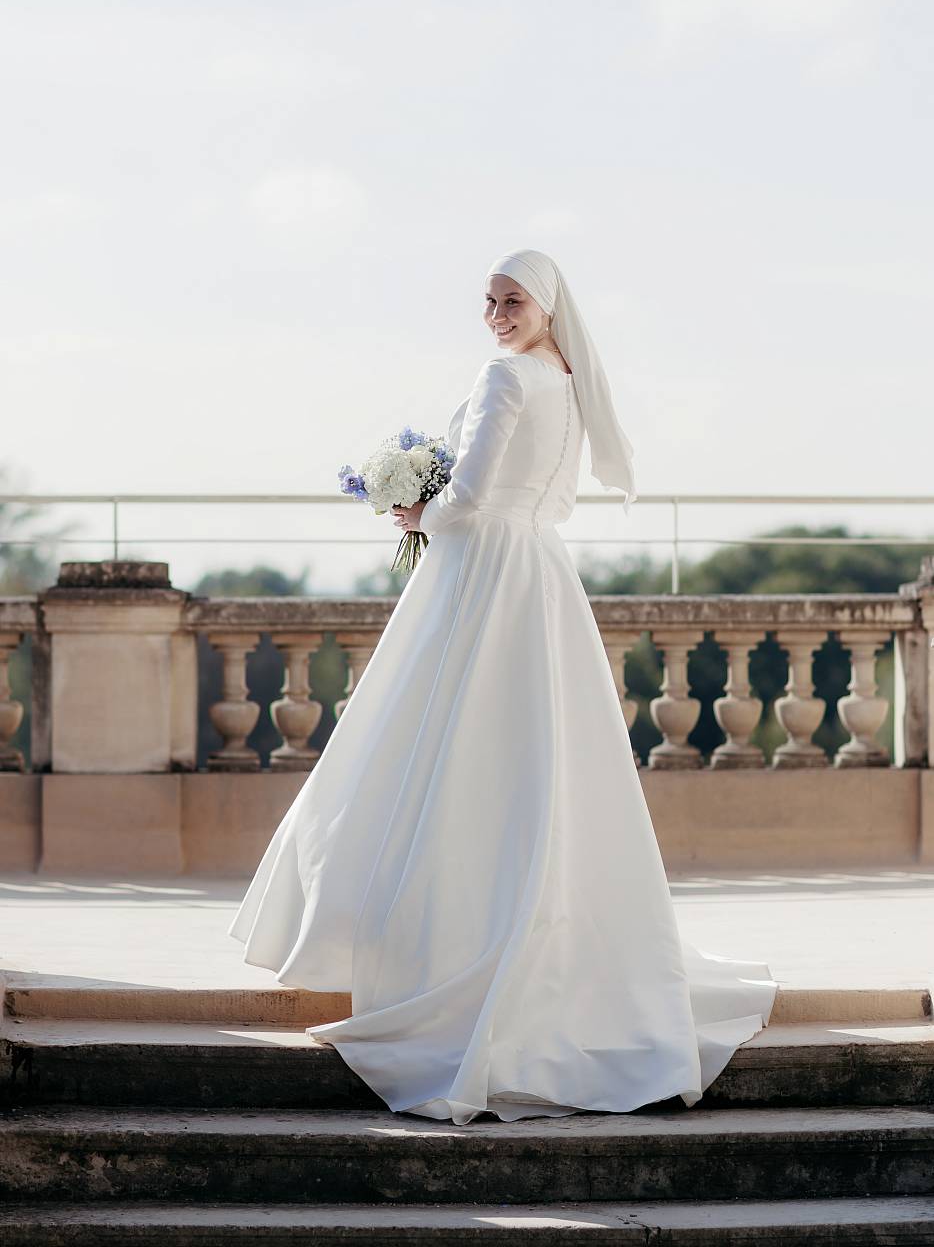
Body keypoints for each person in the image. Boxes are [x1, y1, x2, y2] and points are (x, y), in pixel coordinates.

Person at [228, 247, 777, 1125]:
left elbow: (474, 494)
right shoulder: (567, 380)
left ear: (546, 305)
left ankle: (445, 952)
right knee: (538, 759)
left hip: (480, 571)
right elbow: (548, 501)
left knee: (443, 750)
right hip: (541, 573)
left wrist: (418, 512)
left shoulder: (506, 377)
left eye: (511, 299)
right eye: (488, 301)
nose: (495, 314)